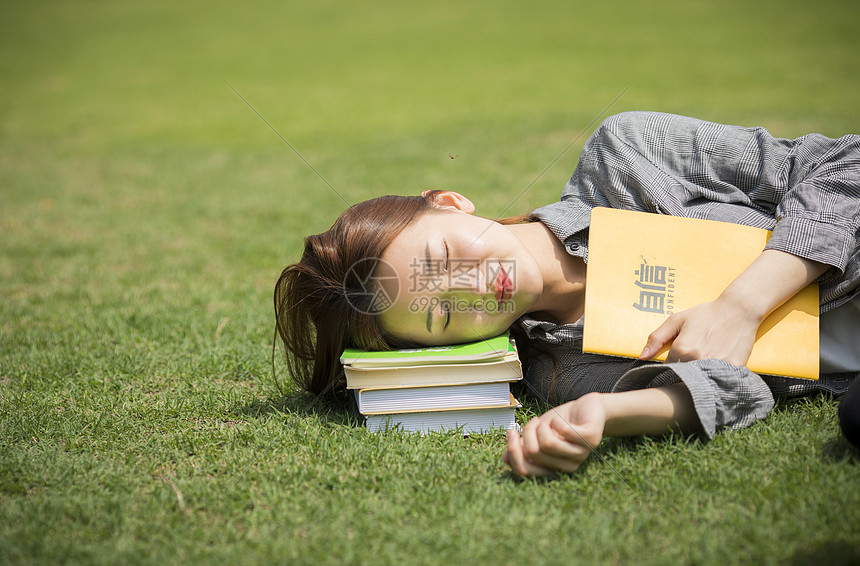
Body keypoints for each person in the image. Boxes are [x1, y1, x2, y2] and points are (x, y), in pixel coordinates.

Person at [274, 111, 860, 476]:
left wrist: (743, 304)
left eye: (445, 257)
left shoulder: (629, 157)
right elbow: (736, 391)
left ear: (448, 201)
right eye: (446, 313)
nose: (472, 287)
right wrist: (608, 413)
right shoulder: (556, 368)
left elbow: (844, 163)